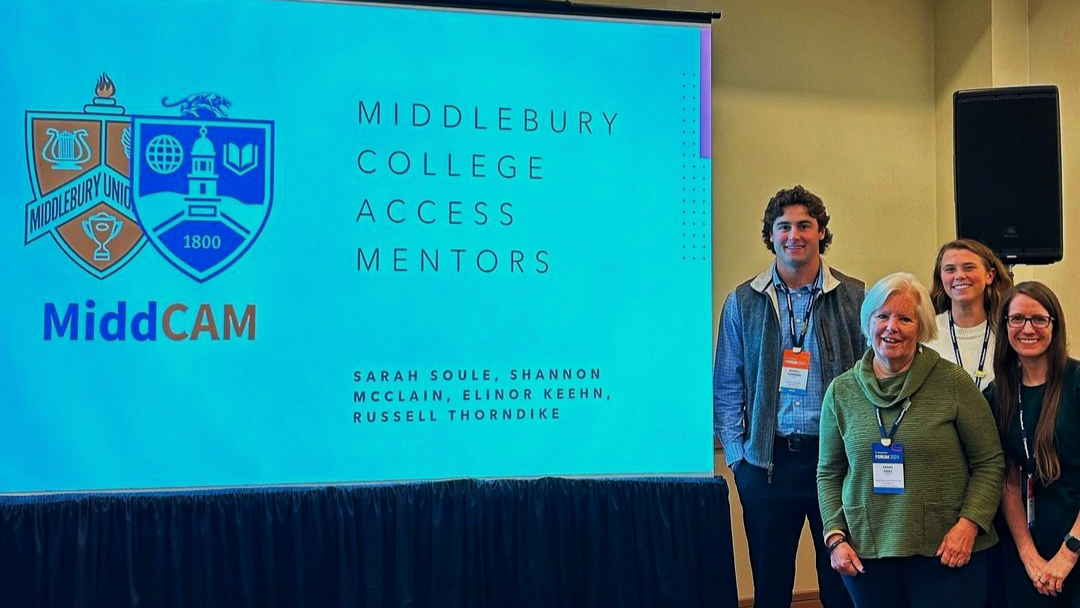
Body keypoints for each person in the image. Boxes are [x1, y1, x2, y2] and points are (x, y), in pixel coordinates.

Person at [714, 185, 863, 608]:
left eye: (804, 225)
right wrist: (740, 459)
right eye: (784, 227)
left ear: (820, 233)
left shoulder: (855, 296)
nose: (793, 235)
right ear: (771, 234)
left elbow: (874, 378)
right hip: (767, 463)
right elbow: (727, 385)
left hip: (837, 463)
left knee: (841, 583)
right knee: (771, 585)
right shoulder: (743, 301)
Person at [817, 272, 1004, 607]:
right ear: (868, 321)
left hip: (947, 550)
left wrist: (970, 524)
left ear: (922, 328)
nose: (892, 327)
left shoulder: (953, 382)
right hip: (867, 552)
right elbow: (829, 473)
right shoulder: (841, 391)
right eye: (883, 316)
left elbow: (989, 462)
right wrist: (834, 537)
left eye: (905, 318)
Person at [989, 282, 1080, 606]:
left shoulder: (1076, 382)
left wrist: (1070, 553)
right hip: (1027, 537)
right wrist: (1029, 557)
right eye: (1017, 319)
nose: (1027, 329)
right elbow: (1008, 480)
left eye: (1039, 319)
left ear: (1054, 325)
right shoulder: (998, 393)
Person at [924, 238, 1013, 388]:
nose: (959, 276)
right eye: (950, 269)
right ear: (941, 277)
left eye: (969, 267)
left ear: (989, 275)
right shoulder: (926, 332)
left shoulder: (1008, 332)